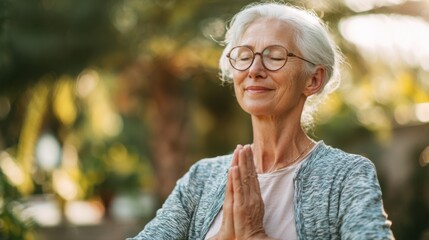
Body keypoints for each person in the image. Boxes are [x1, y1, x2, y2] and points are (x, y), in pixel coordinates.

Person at [129, 2, 394, 239]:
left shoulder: (346, 176)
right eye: (244, 57)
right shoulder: (203, 178)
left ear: (313, 79)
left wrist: (255, 236)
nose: (254, 70)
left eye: (275, 57)